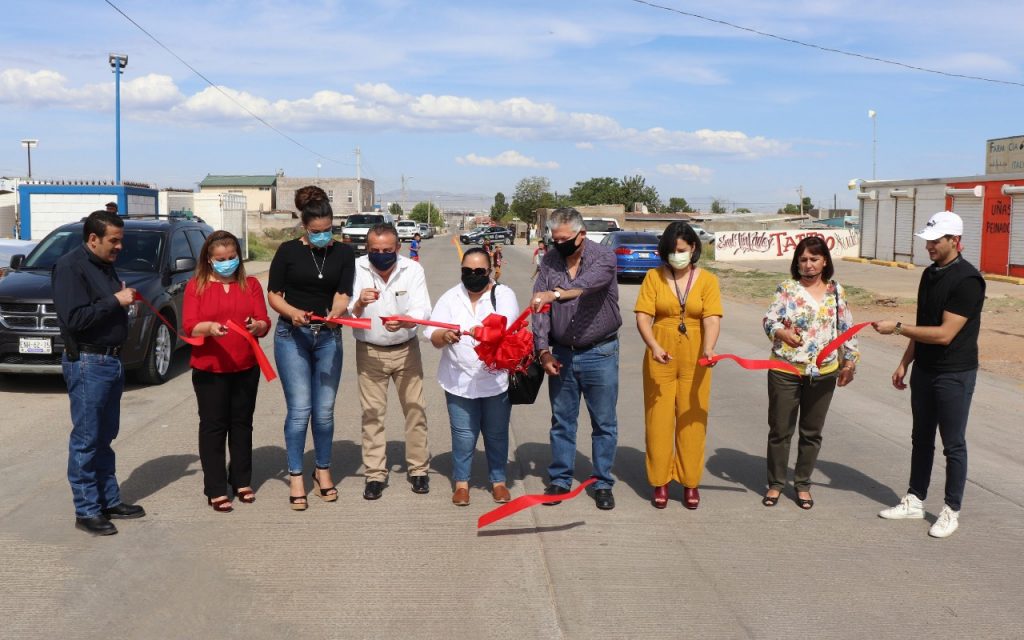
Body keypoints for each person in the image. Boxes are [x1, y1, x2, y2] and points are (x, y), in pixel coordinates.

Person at [873, 211, 984, 538]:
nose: (929, 247)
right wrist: (905, 361)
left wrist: (895, 327)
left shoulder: (968, 281)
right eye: (928, 241)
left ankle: (951, 509)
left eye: (936, 241)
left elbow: (945, 333)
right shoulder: (930, 274)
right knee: (921, 439)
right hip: (924, 371)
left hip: (954, 374)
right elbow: (923, 326)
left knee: (953, 444)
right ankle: (914, 499)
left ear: (955, 241)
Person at [52, 210, 145, 536]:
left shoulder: (103, 265)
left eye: (121, 240)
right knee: (87, 441)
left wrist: (124, 307)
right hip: (89, 363)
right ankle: (86, 510)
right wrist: (115, 301)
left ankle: (108, 500)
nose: (119, 246)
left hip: (110, 362)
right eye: (114, 241)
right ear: (93, 239)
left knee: (105, 437)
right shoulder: (69, 267)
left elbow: (105, 307)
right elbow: (75, 319)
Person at [267, 186, 355, 511]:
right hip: (293, 336)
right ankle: (295, 474)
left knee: (325, 411)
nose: (323, 237)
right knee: (300, 410)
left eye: (328, 231)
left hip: (329, 337)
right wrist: (292, 313)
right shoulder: (288, 251)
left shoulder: (344, 254)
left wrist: (337, 312)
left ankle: (323, 469)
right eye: (316, 232)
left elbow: (343, 293)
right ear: (305, 227)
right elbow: (274, 294)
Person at [531, 207, 621, 510]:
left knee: (604, 422)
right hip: (563, 354)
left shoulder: (603, 258)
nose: (559, 244)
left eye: (565, 239)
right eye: (554, 239)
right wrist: (543, 350)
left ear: (582, 235)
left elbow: (585, 286)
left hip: (600, 352)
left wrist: (554, 295)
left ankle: (602, 482)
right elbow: (539, 309)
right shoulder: (550, 260)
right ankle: (560, 478)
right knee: (562, 421)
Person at [761, 236, 859, 510]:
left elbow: (846, 329)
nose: (808, 265)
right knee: (780, 430)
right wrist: (780, 331)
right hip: (785, 369)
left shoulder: (836, 291)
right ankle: (776, 483)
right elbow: (769, 319)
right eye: (803, 259)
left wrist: (849, 363)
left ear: (825, 260)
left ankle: (802, 484)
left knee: (811, 432)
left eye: (814, 259)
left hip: (824, 372)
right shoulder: (787, 289)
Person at [634, 222, 722, 510]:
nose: (677, 256)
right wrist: (654, 346)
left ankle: (690, 482)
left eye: (681, 250)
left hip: (696, 354)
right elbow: (644, 316)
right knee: (658, 419)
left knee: (692, 418)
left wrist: (709, 348)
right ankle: (660, 480)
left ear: (693, 248)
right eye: (671, 251)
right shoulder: (653, 277)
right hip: (661, 350)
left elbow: (711, 318)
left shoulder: (708, 280)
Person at [183, 231, 271, 513]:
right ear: (209, 260)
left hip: (246, 366)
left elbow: (263, 321)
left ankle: (242, 480)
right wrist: (208, 328)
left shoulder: (252, 285)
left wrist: (257, 326)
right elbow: (190, 326)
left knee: (242, 424)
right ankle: (216, 487)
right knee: (213, 427)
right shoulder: (195, 286)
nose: (227, 263)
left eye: (231, 257)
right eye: (220, 259)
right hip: (210, 367)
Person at [425, 248, 519, 506]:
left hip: (495, 379)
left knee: (497, 433)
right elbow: (433, 334)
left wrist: (483, 331)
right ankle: (462, 483)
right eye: (467, 271)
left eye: (479, 271)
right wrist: (444, 336)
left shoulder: (503, 295)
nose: (473, 275)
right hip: (458, 380)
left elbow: (506, 328)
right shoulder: (450, 297)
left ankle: (498, 481)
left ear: (489, 271)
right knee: (463, 434)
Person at [349, 223, 433, 500]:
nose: (381, 254)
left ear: (398, 247)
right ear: (367, 248)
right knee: (372, 414)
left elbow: (423, 307)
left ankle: (418, 469)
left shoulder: (412, 270)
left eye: (387, 250)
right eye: (375, 250)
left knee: (415, 410)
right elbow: (345, 312)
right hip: (370, 351)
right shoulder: (356, 269)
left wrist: (406, 320)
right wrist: (359, 303)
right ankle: (374, 475)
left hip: (406, 349)